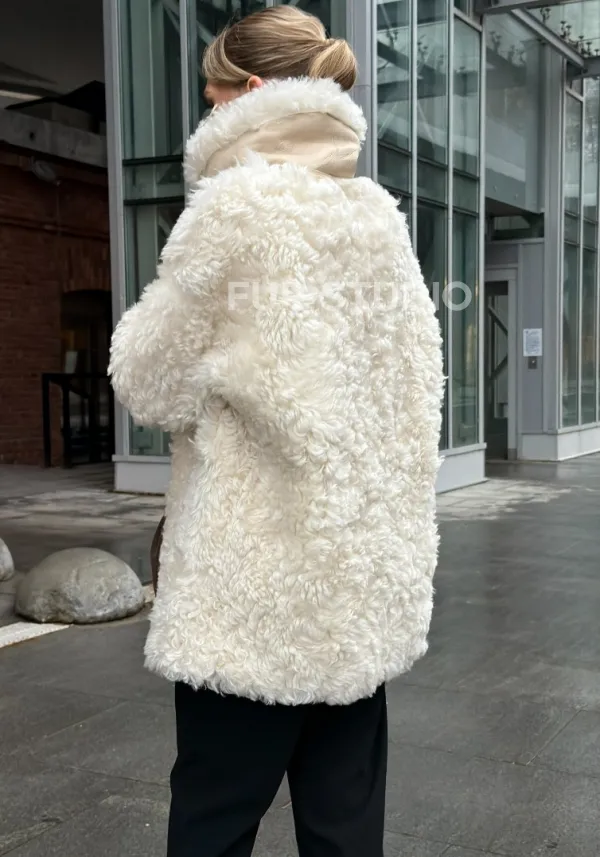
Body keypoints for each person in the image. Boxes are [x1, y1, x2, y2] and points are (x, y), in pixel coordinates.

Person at [109, 7, 443, 856]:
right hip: (355, 585)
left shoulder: (236, 207)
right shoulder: (377, 217)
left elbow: (146, 379)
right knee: (345, 826)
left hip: (252, 593)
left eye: (213, 96)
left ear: (252, 90)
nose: (208, 113)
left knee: (215, 822)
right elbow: (414, 391)